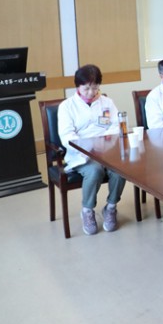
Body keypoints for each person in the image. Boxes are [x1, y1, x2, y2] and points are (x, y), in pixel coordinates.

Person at [57, 64, 126, 236]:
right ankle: (87, 210)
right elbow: (67, 135)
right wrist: (88, 146)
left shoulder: (107, 102)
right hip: (81, 153)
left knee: (121, 171)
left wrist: (104, 143)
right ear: (78, 86)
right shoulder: (67, 106)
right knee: (94, 171)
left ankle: (111, 207)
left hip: (106, 150)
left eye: (95, 88)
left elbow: (115, 125)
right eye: (86, 88)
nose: (91, 92)